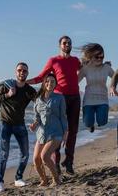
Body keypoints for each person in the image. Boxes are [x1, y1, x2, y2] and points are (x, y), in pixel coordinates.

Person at [26, 35, 81, 175]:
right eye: (64, 43)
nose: (67, 45)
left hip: (75, 98)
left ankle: (69, 162)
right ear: (60, 45)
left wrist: (103, 65)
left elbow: (85, 70)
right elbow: (41, 77)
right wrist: (25, 83)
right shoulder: (53, 60)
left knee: (72, 131)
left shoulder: (76, 61)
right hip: (59, 98)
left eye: (69, 43)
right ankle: (56, 163)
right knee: (57, 130)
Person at [0, 62, 37, 193]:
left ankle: (18, 178)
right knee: (4, 154)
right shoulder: (7, 85)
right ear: (16, 72)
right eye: (19, 70)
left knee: (25, 153)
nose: (22, 72)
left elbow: (39, 103)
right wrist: (8, 95)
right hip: (5, 123)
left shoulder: (29, 90)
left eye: (24, 71)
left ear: (27, 73)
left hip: (20, 124)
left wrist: (37, 121)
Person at [29, 74, 68, 187]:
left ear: (55, 84)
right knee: (36, 159)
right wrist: (34, 125)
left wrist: (66, 132)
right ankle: (44, 180)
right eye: (47, 81)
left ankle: (56, 179)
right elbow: (37, 117)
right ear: (44, 83)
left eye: (52, 81)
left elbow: (63, 116)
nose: (50, 83)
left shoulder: (59, 98)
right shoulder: (38, 99)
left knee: (45, 156)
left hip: (56, 132)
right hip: (41, 133)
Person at [78, 43, 114, 132]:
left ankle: (98, 120)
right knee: (87, 123)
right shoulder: (85, 68)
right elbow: (75, 81)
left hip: (102, 100)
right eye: (96, 57)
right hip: (88, 100)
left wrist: (114, 86)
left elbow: (117, 78)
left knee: (102, 122)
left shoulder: (106, 67)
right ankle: (91, 126)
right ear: (91, 56)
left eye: (101, 57)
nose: (99, 59)